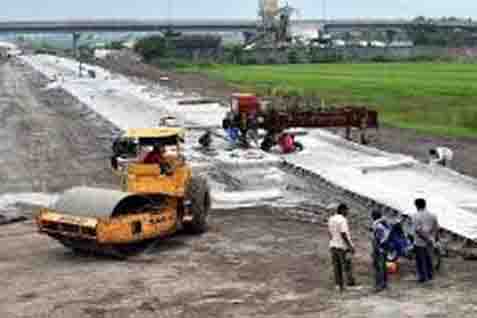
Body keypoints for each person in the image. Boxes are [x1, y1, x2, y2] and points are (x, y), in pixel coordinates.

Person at [328, 203, 356, 292]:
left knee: (336, 267)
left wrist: (333, 240)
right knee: (347, 265)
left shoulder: (331, 219)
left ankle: (338, 285)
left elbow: (330, 233)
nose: (347, 212)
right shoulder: (342, 220)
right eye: (347, 210)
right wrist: (350, 246)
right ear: (342, 210)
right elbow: (343, 233)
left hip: (333, 245)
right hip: (342, 247)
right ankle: (350, 283)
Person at [413, 198, 440, 283]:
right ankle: (430, 275)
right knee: (429, 259)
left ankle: (422, 277)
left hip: (419, 242)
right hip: (430, 241)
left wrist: (427, 239)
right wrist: (433, 239)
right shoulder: (433, 215)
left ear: (417, 206)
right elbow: (436, 228)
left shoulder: (415, 216)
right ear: (425, 204)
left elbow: (418, 230)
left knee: (420, 260)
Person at [371, 210, 391, 293]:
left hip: (379, 249)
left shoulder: (377, 226)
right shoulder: (384, 225)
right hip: (384, 248)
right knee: (383, 266)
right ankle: (384, 283)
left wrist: (375, 249)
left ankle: (378, 285)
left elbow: (377, 239)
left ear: (374, 217)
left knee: (378, 267)